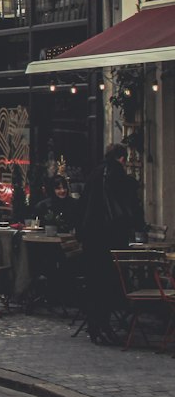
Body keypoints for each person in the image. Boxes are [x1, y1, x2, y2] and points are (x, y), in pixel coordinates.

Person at [78, 142, 144, 345]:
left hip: (91, 239)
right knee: (108, 282)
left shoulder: (94, 174)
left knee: (94, 283)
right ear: (122, 158)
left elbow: (82, 205)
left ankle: (95, 326)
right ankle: (104, 324)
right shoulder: (116, 175)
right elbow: (129, 203)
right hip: (109, 239)